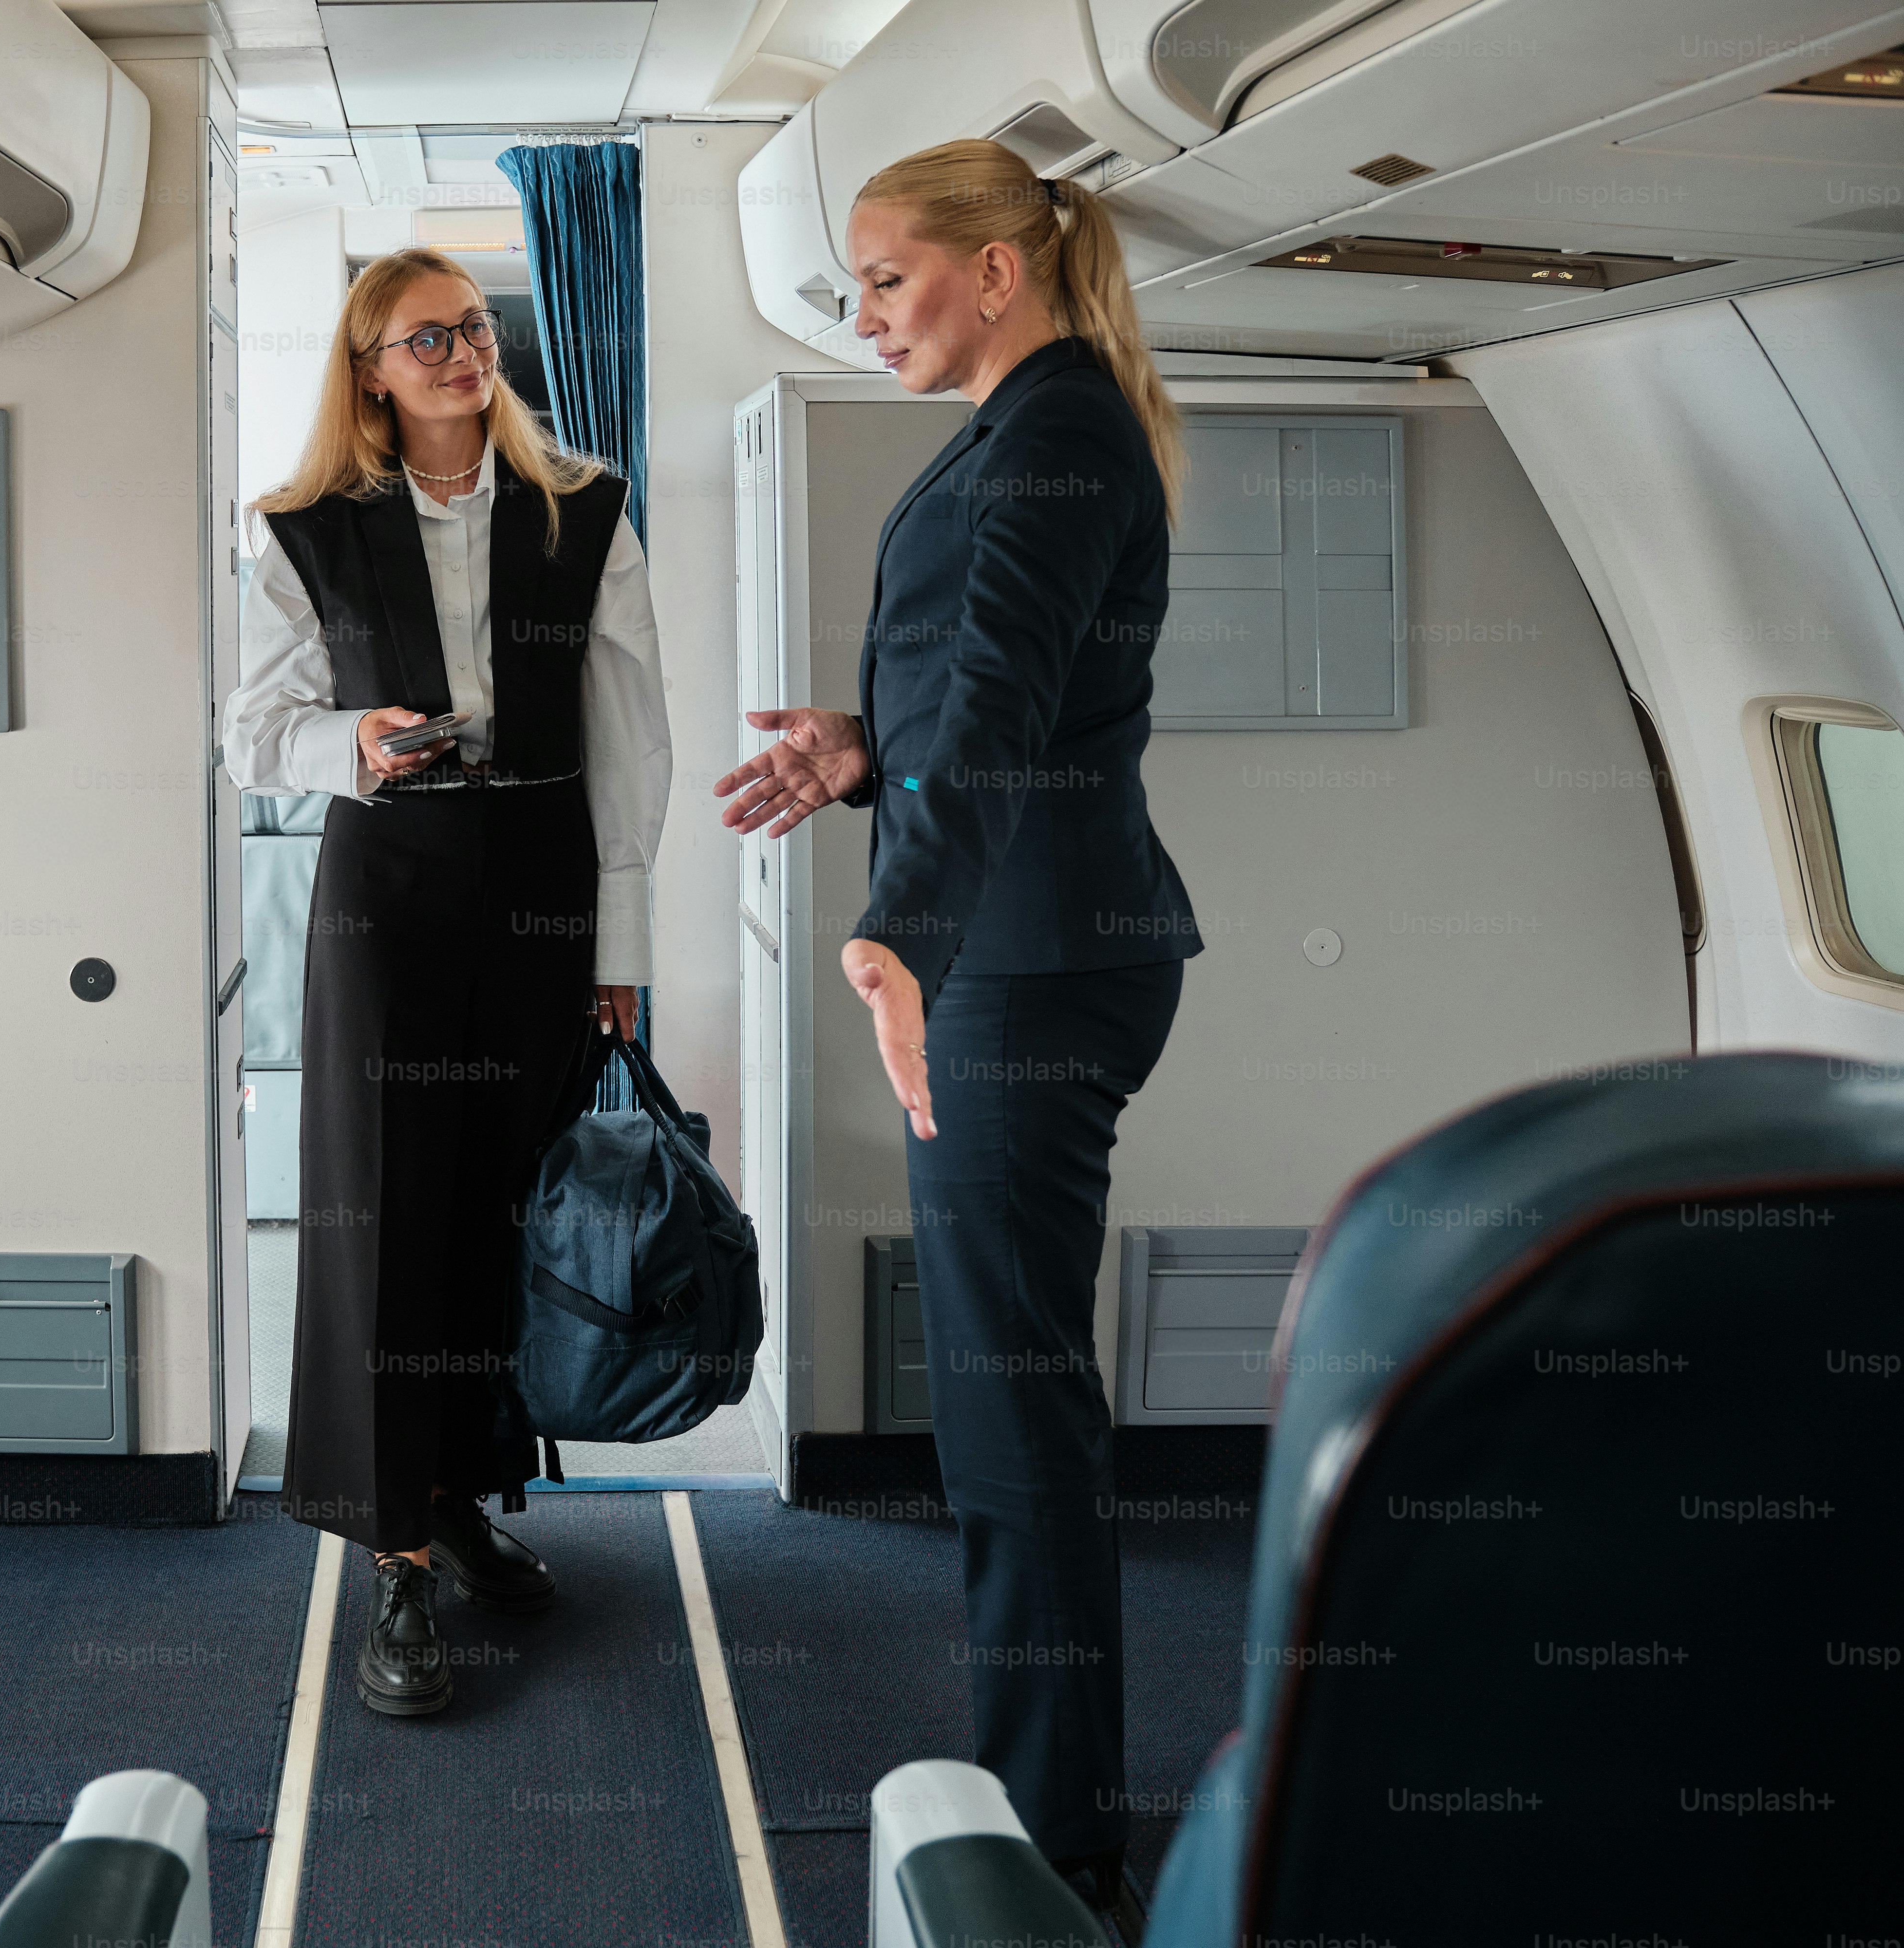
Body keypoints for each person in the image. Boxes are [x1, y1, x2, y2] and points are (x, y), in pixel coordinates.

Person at [713, 138, 1201, 1924]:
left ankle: (1057, 1845)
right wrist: (858, 751)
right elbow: (994, 697)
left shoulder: (1058, 431)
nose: (867, 317)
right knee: (1007, 1393)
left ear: (999, 272)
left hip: (1022, 960)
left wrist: (900, 928)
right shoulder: (1034, 424)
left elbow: (998, 704)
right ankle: (1038, 1802)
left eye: (889, 280)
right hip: (1022, 940)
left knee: (1012, 1408)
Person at [225, 247, 671, 1718]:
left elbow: (631, 734)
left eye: (473, 328)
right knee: (380, 1212)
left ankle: (467, 1491)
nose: (463, 352)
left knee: (502, 1202)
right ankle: (392, 1552)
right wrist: (348, 743)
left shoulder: (585, 507)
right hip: (389, 889)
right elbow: (251, 732)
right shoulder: (303, 530)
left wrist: (621, 951)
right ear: (367, 368)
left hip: (542, 882)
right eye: (427, 338)